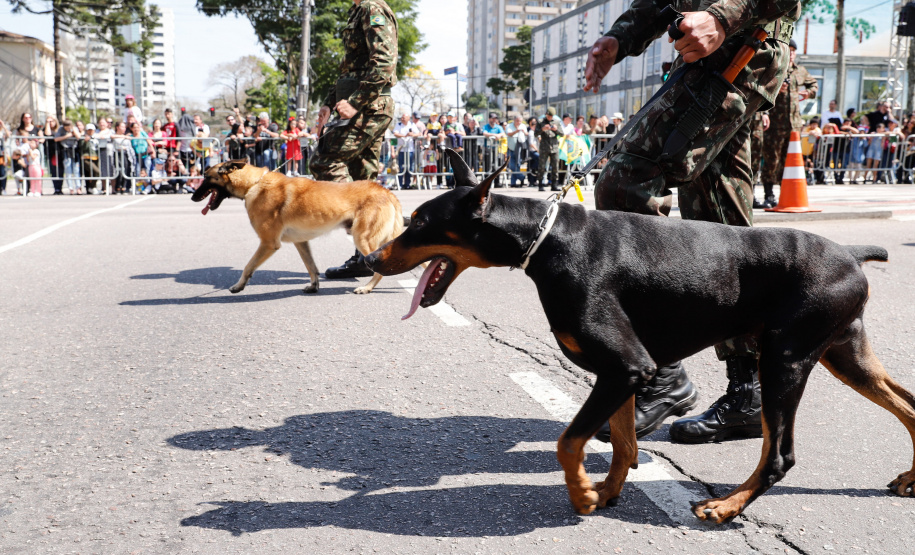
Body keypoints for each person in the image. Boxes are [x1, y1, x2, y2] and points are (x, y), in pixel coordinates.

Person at [583, 0, 800, 443]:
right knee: (718, 217)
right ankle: (748, 391)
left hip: (741, 52)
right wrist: (621, 38)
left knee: (626, 182)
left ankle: (660, 374)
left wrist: (722, 18)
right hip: (715, 58)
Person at [311, 0, 398, 279]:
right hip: (362, 105)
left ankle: (364, 222)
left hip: (368, 106)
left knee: (325, 159)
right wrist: (329, 102)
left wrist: (356, 101)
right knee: (363, 176)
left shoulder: (373, 8)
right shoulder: (359, 10)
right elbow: (349, 69)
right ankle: (368, 255)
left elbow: (384, 62)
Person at [761, 40, 817, 209]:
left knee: (790, 162)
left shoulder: (800, 71)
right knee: (772, 159)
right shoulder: (775, 69)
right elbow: (762, 88)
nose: (791, 53)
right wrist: (777, 89)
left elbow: (813, 84)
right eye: (789, 50)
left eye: (794, 51)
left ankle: (785, 195)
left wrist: (809, 92)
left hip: (794, 126)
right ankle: (768, 194)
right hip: (775, 125)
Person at [536, 107, 561, 191]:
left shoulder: (556, 122)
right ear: (546, 114)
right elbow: (535, 133)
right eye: (548, 115)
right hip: (544, 147)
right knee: (542, 166)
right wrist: (542, 129)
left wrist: (556, 130)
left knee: (555, 167)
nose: (550, 117)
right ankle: (540, 184)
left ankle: (554, 185)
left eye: (551, 116)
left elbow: (562, 133)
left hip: (554, 147)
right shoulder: (540, 122)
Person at [54, 119, 82, 194]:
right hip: (65, 150)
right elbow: (56, 139)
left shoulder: (74, 128)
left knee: (76, 169)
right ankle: (70, 188)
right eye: (66, 127)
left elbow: (78, 136)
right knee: (68, 170)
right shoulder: (60, 129)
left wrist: (73, 131)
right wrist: (67, 136)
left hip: (74, 150)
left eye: (69, 127)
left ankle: (78, 187)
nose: (67, 129)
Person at [393, 113, 420, 189]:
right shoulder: (398, 124)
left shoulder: (412, 124)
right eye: (402, 117)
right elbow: (395, 133)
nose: (402, 118)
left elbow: (418, 133)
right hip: (401, 149)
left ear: (408, 118)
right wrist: (405, 136)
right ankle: (400, 184)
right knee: (401, 167)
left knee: (409, 168)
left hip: (410, 149)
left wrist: (412, 135)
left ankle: (407, 184)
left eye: (404, 117)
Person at [750, 111, 771, 208]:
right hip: (738, 116)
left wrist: (765, 112)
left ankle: (750, 196)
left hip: (756, 121)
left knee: (754, 161)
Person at [505, 115, 528, 187]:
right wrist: (516, 131)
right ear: (514, 120)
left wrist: (524, 132)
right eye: (517, 121)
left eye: (520, 121)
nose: (519, 123)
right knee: (511, 165)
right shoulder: (509, 126)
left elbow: (527, 134)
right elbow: (508, 134)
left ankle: (513, 183)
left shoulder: (523, 126)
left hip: (519, 150)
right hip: (511, 149)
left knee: (517, 165)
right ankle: (522, 177)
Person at [526, 116, 540, 188]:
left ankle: (534, 180)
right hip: (533, 151)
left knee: (534, 167)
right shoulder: (531, 132)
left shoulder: (536, 132)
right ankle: (531, 180)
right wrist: (538, 150)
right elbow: (531, 143)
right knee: (538, 160)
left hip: (536, 151)